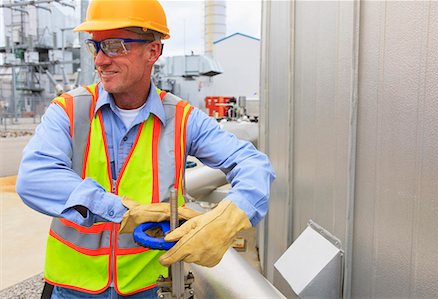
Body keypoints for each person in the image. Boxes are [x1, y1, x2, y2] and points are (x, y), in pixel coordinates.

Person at [16, 0, 275, 298]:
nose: (100, 60)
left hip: (148, 288)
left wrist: (230, 217)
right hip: (74, 288)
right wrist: (122, 211)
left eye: (114, 46)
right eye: (95, 46)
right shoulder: (70, 110)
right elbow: (34, 177)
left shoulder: (181, 119)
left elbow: (254, 164)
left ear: (153, 51)